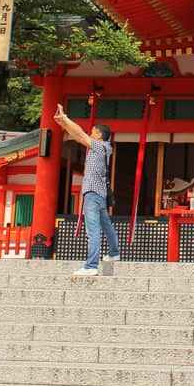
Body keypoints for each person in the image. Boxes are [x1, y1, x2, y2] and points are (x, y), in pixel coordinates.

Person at [54, 104, 120, 275]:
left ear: (98, 134)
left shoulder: (101, 146)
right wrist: (63, 123)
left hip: (92, 193)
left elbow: (81, 134)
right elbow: (79, 136)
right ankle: (114, 253)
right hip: (99, 194)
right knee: (106, 226)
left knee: (93, 230)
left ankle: (91, 266)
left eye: (93, 131)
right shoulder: (102, 148)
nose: (90, 133)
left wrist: (66, 118)